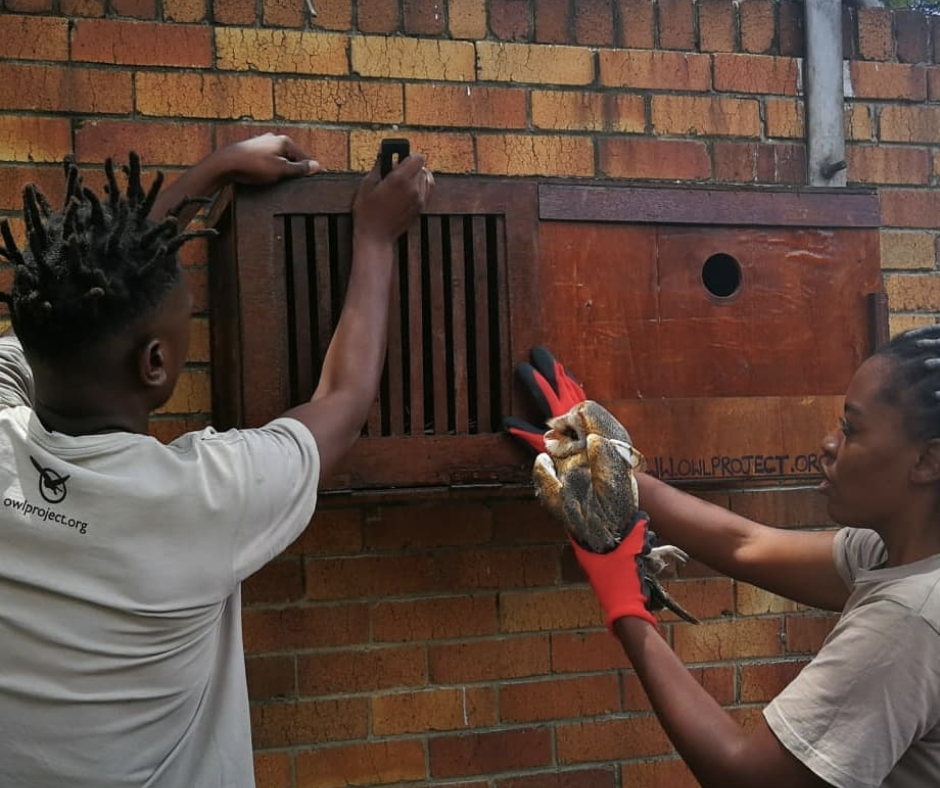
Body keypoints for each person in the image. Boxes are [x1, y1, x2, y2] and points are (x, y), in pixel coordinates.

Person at [0, 133, 432, 787]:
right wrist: (375, 238)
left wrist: (217, 169)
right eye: (187, 314)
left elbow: (78, 296)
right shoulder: (201, 500)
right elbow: (344, 402)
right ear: (155, 364)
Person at [509, 338, 940, 788]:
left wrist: (626, 605)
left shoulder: (909, 620)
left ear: (929, 460)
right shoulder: (895, 553)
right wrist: (610, 466)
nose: (829, 443)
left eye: (851, 429)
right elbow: (746, 544)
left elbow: (745, 778)